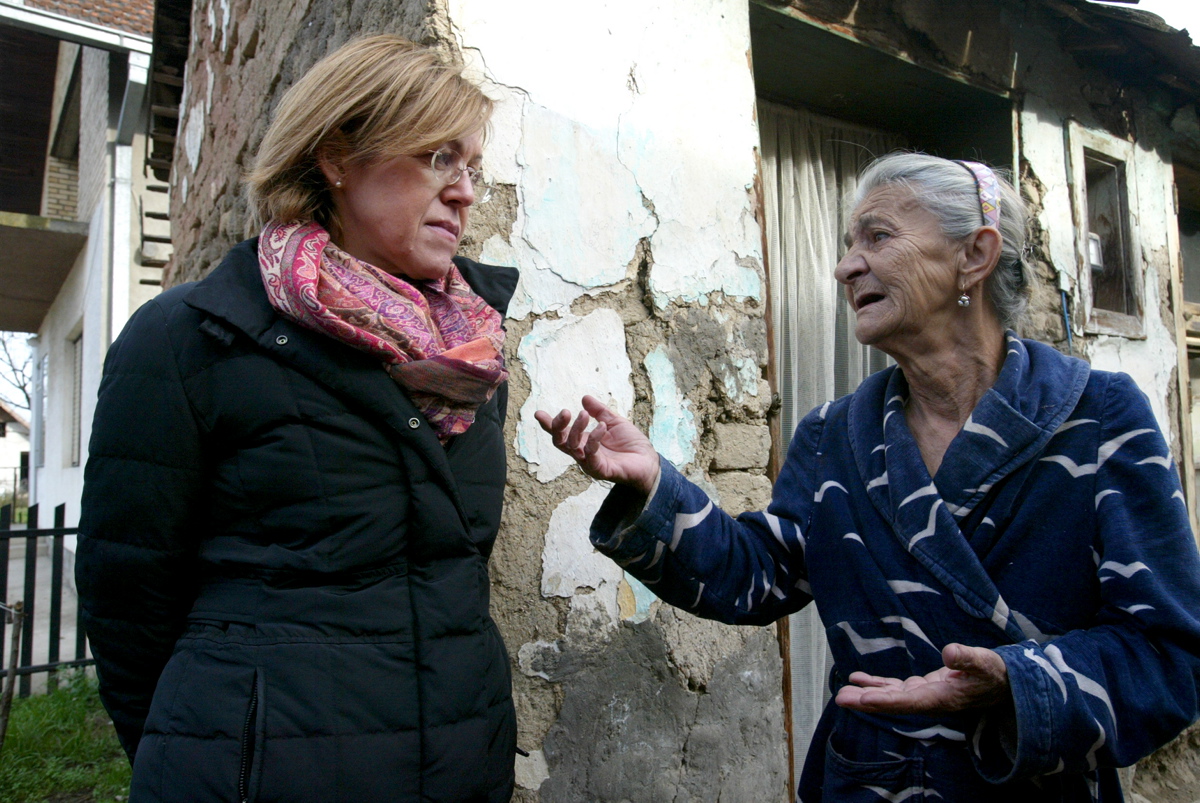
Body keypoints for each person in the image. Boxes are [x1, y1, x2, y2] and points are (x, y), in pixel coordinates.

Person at [537, 152, 1200, 801]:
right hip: (866, 781)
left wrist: (1013, 680)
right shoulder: (835, 436)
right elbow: (758, 575)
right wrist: (655, 485)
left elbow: (1171, 656)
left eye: (877, 236)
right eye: (848, 244)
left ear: (974, 255)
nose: (845, 266)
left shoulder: (1097, 419)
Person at [77, 35, 518, 802]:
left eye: (472, 167)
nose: (465, 192)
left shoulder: (472, 357)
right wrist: (214, 753)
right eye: (438, 157)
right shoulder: (190, 337)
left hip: (460, 762)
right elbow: (126, 600)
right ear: (337, 156)